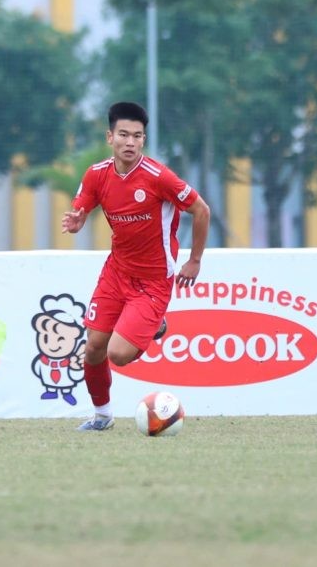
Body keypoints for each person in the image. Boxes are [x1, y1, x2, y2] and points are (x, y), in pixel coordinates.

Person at [61, 101, 210, 431]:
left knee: (118, 354)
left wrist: (195, 260)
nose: (130, 142)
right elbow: (83, 206)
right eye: (124, 135)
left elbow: (201, 210)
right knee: (94, 348)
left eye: (137, 136)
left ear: (144, 139)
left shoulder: (159, 177)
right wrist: (77, 220)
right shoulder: (97, 174)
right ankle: (102, 416)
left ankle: (155, 323)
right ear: (110, 137)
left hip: (153, 281)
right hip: (116, 272)